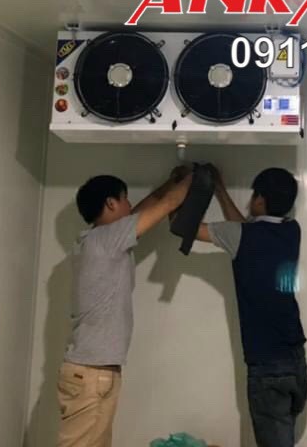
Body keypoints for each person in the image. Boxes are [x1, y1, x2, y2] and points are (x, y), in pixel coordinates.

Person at [56, 167, 193, 447]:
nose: (130, 205)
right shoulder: (108, 239)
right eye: (125, 199)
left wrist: (171, 181)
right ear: (111, 203)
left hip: (91, 372)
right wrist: (199, 175)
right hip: (92, 374)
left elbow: (148, 207)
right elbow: (168, 204)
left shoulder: (97, 240)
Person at [193, 166, 307, 447]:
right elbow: (246, 230)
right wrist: (221, 191)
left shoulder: (242, 236)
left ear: (260, 199)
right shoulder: (292, 230)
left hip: (266, 365)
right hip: (295, 360)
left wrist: (185, 190)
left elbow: (185, 229)